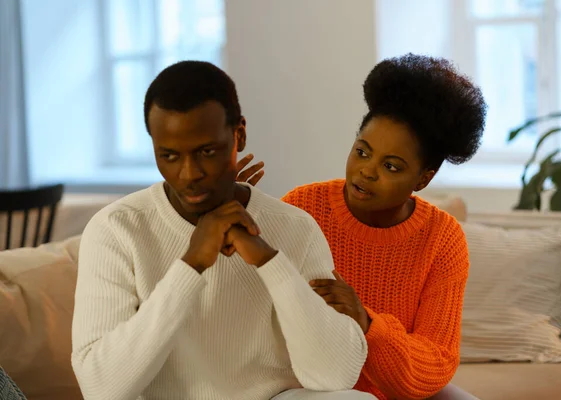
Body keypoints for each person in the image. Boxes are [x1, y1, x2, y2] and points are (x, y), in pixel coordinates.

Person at [71, 61, 374, 400]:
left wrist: (269, 261)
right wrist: (191, 265)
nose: (189, 173)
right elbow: (101, 390)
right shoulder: (116, 229)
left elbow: (336, 375)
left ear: (239, 134)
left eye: (207, 152)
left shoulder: (295, 226)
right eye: (169, 155)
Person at [237, 54, 487, 399]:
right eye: (363, 151)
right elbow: (242, 303)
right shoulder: (304, 206)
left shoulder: (442, 238)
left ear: (424, 178)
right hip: (311, 387)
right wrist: (225, 217)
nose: (366, 171)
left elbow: (437, 362)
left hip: (399, 388)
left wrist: (367, 324)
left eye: (393, 166)